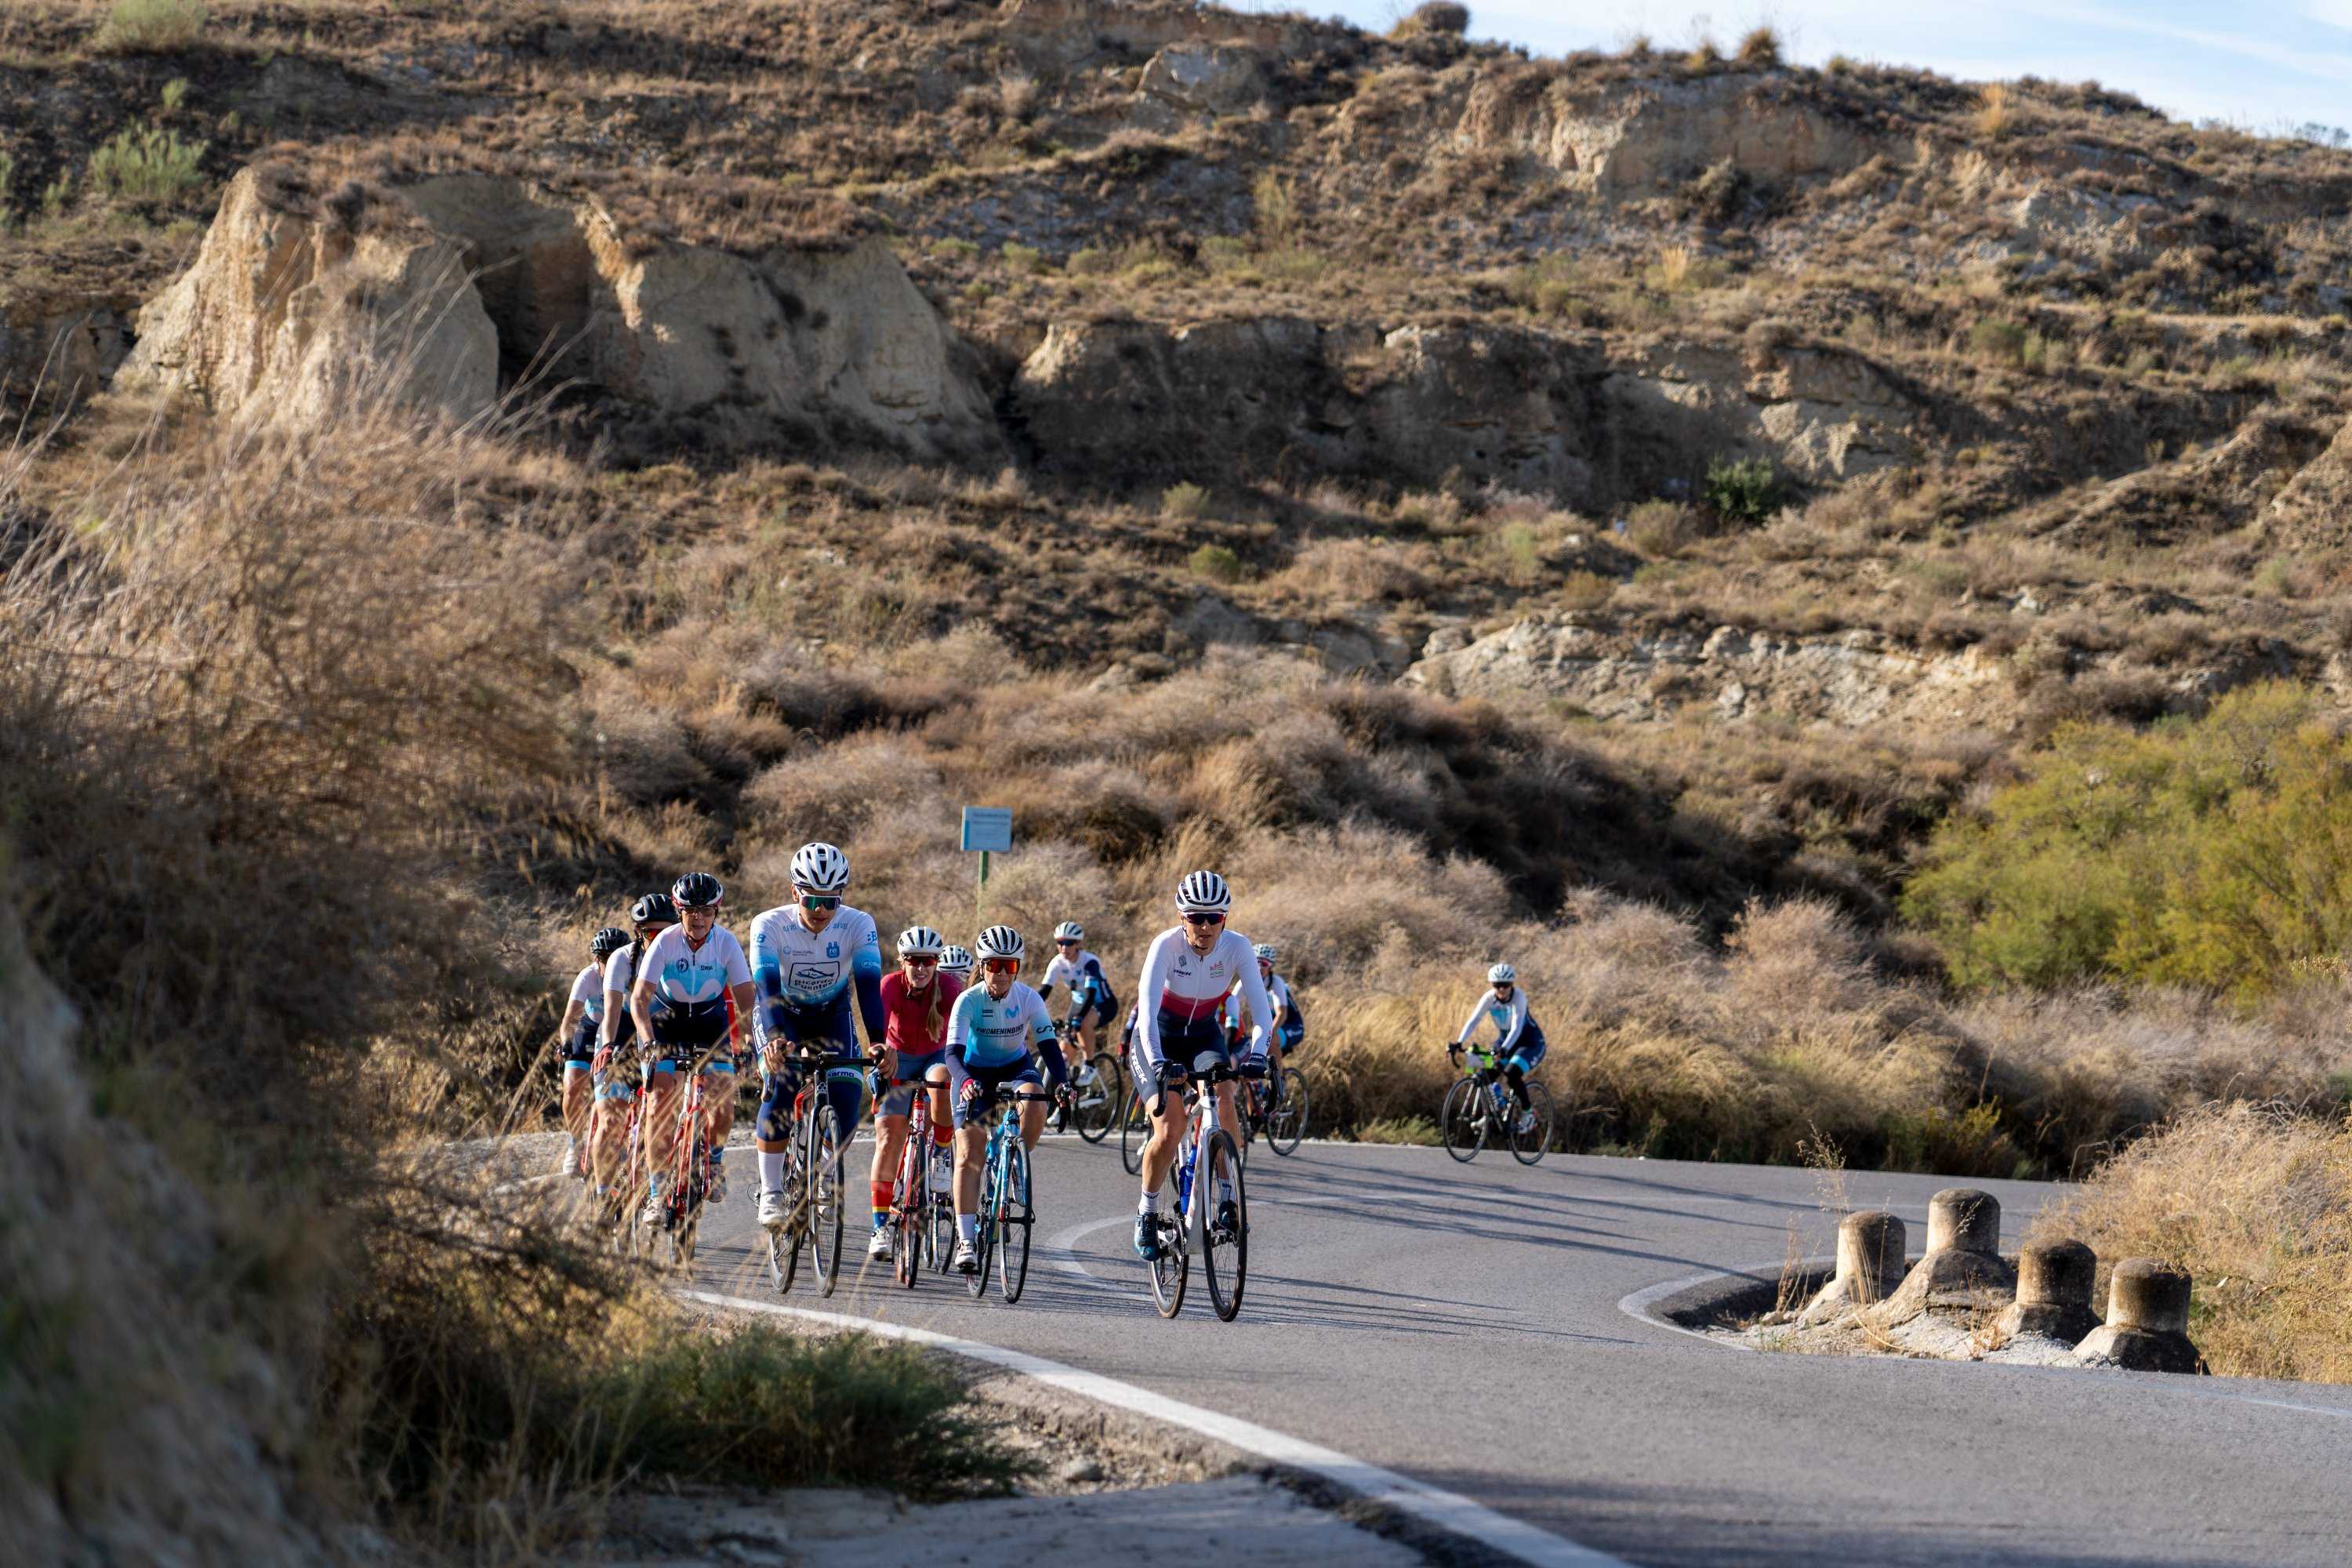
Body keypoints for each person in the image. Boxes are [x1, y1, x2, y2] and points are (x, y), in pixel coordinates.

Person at [1131, 871, 1277, 1260]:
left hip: (1202, 1035)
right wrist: (1160, 1062)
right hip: (1158, 1039)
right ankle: (1146, 1211)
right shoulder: (1165, 946)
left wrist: (1259, 1054)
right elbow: (1146, 1015)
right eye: (1196, 917)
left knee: (1224, 1094)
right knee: (1171, 1126)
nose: (1206, 925)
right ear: (1182, 918)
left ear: (1225, 918)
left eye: (1215, 917)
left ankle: (1227, 1197)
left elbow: (1262, 1015)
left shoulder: (1238, 947)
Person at [747, 842, 886, 1234]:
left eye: (831, 901)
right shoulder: (769, 924)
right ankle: (772, 1190)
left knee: (845, 1097)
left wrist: (877, 1040)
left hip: (831, 1015)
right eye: (812, 901)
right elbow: (767, 987)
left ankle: (825, 1171)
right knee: (782, 1085)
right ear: (795, 893)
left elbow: (869, 988)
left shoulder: (858, 924)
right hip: (782, 1016)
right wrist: (774, 1038)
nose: (822, 911)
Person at [627, 874, 754, 1224]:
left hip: (710, 1024)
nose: (698, 918)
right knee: (659, 1104)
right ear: (679, 911)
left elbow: (746, 999)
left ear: (716, 912)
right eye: (690, 911)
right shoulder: (665, 942)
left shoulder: (726, 944)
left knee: (724, 1104)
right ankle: (656, 1195)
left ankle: (713, 1159)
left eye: (706, 911)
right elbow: (639, 999)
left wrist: (744, 1042)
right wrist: (649, 1042)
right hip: (665, 1023)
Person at [942, 924, 1056, 1273]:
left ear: (1018, 968)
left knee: (1036, 1097)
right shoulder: (969, 1000)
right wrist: (964, 1082)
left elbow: (1049, 1047)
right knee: (969, 1156)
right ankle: (966, 1240)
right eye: (994, 965)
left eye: (1010, 966)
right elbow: (952, 1054)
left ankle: (1017, 1158)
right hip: (973, 1071)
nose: (1002, 974)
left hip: (1015, 1066)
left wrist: (1063, 1084)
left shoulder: (1028, 998)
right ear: (982, 966)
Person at [866, 924, 963, 1260]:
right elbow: (875, 1027)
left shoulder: (951, 986)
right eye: (913, 961)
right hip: (898, 1060)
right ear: (902, 961)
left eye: (928, 961)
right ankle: (880, 1227)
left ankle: (939, 1153)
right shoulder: (890, 985)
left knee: (943, 1081)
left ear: (937, 962)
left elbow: (963, 1033)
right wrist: (878, 1056)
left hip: (935, 1057)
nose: (921, 969)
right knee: (889, 1139)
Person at [590, 894, 673, 1208]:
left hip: (657, 1033)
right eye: (652, 933)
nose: (660, 939)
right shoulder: (622, 959)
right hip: (621, 1035)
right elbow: (610, 1014)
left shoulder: (678, 953)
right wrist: (608, 1046)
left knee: (664, 1111)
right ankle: (603, 1193)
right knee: (611, 1120)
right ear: (639, 932)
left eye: (666, 931)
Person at [559, 927, 630, 1178]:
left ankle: (624, 1137)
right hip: (589, 1030)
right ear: (595, 959)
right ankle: (575, 1142)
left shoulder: (632, 975)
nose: (608, 964)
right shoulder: (588, 977)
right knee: (572, 1086)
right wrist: (566, 1043)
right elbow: (570, 1018)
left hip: (620, 1032)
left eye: (614, 957)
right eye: (603, 958)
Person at [1451, 962, 1545, 1134]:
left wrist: (1504, 1048)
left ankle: (1528, 1115)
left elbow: (1517, 1027)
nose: (1501, 989)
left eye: (1506, 985)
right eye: (1497, 985)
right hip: (1505, 1041)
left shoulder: (1519, 998)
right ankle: (1493, 1113)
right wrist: (1459, 1042)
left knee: (1512, 1073)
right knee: (1486, 1075)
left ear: (1512, 985)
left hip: (1529, 1042)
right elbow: (1474, 1020)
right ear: (1492, 985)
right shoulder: (1489, 998)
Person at [1225, 941, 1303, 1112]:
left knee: (1271, 1038)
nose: (1260, 968)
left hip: (1290, 1025)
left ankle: (1278, 1080)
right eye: (1257, 963)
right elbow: (1233, 1007)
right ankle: (1254, 1112)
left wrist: (1267, 1033)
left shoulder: (1276, 982)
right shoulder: (1245, 982)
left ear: (1271, 966)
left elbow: (1282, 1013)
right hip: (1268, 1023)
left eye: (1265, 964)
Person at [1036, 920, 1119, 1069]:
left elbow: (1091, 994)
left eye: (1069, 943)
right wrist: (1030, 1008)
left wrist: (1079, 1017)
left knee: (1083, 1023)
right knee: (1063, 1054)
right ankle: (1069, 1082)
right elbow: (1044, 991)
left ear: (1078, 944)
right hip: (1078, 1003)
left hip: (1103, 1003)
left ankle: (1089, 1065)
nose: (1064, 947)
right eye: (1060, 942)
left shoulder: (1090, 962)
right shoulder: (1057, 963)